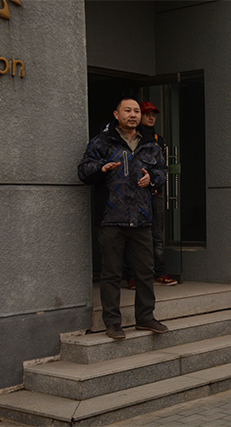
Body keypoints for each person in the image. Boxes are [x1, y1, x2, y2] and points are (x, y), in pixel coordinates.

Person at [78, 96, 168, 339]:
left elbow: (162, 172)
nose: (133, 115)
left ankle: (145, 318)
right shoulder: (102, 142)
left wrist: (153, 179)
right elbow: (83, 170)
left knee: (145, 272)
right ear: (116, 114)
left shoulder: (150, 144)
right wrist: (101, 168)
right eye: (128, 110)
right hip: (111, 218)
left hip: (141, 218)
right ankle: (112, 323)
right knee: (111, 274)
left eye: (136, 111)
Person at [125, 102, 178, 288]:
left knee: (157, 235)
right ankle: (132, 275)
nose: (151, 117)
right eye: (147, 114)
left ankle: (159, 272)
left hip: (155, 193)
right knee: (134, 234)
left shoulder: (158, 140)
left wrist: (155, 180)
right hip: (136, 195)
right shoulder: (133, 138)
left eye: (153, 114)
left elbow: (162, 169)